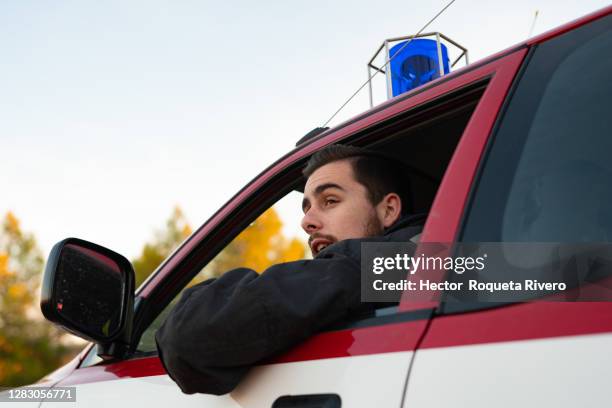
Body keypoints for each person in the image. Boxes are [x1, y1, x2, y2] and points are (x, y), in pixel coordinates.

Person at [155, 145, 425, 395]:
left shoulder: (405, 263)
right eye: (307, 208)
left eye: (330, 201)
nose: (307, 221)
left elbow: (188, 340)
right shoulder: (447, 262)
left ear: (388, 210)